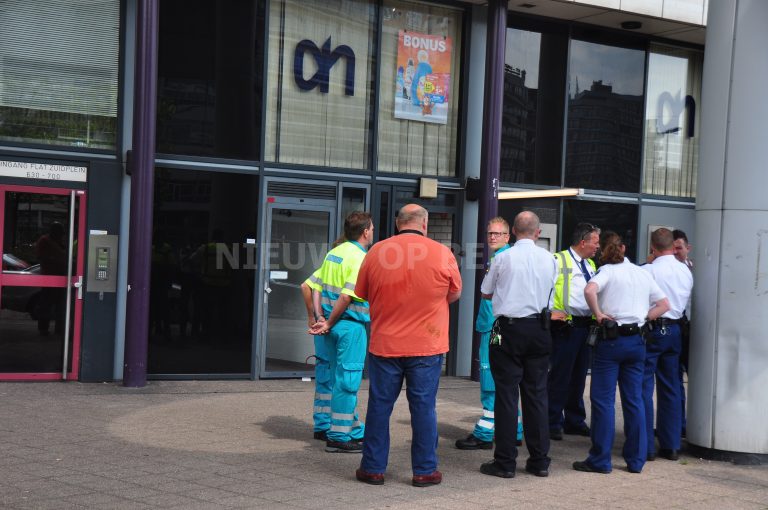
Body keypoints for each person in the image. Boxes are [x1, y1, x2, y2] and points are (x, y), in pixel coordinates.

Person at [354, 204, 461, 487]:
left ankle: (373, 469)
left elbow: (361, 293)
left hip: (385, 344)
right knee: (424, 407)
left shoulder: (376, 252)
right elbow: (454, 293)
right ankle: (425, 471)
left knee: (379, 406)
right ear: (424, 224)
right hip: (427, 344)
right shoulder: (442, 252)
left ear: (397, 223)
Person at [574, 232, 670, 475]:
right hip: (637, 342)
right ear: (624, 249)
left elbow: (589, 290)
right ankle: (636, 460)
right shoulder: (642, 273)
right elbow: (664, 305)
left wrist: (598, 313)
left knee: (603, 401)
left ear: (604, 251)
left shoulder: (606, 272)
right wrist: (644, 317)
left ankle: (600, 460)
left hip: (611, 341)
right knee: (634, 400)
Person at [478, 211, 557, 479]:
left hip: (507, 329)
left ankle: (505, 462)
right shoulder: (550, 259)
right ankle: (539, 461)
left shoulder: (503, 258)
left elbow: (485, 292)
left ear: (512, 231)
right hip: (539, 329)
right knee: (536, 395)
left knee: (507, 395)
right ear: (537, 232)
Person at [303, 211, 374, 453]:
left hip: (332, 328)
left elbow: (314, 287)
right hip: (349, 327)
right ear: (365, 232)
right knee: (348, 381)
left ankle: (353, 430)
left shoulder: (334, 253)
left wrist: (319, 317)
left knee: (337, 379)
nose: (372, 232)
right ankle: (339, 437)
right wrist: (330, 321)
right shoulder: (360, 257)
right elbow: (347, 295)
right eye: (372, 228)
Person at [455, 217, 523, 451]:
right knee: (504, 379)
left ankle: (484, 432)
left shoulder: (501, 259)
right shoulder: (498, 258)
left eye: (497, 234)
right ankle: (514, 429)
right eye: (490, 233)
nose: (492, 237)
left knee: (490, 377)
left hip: (494, 329)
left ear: (508, 236)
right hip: (497, 326)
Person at [642, 228, 693, 461]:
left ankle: (646, 446)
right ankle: (671, 445)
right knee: (671, 386)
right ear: (673, 246)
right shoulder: (685, 270)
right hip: (675, 329)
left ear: (652, 247)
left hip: (653, 329)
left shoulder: (648, 270)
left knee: (643, 386)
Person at [548, 223, 600, 441]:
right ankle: (552, 421)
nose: (597, 246)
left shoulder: (590, 264)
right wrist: (550, 312)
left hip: (585, 326)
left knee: (579, 376)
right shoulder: (558, 260)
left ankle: (574, 420)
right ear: (583, 242)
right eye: (595, 242)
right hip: (565, 326)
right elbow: (546, 288)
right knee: (560, 375)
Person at [672, 228, 693, 438]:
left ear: (688, 248)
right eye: (674, 248)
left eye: (680, 248)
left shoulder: (695, 270)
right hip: (676, 328)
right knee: (675, 379)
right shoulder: (667, 270)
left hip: (692, 330)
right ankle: (678, 425)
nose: (677, 252)